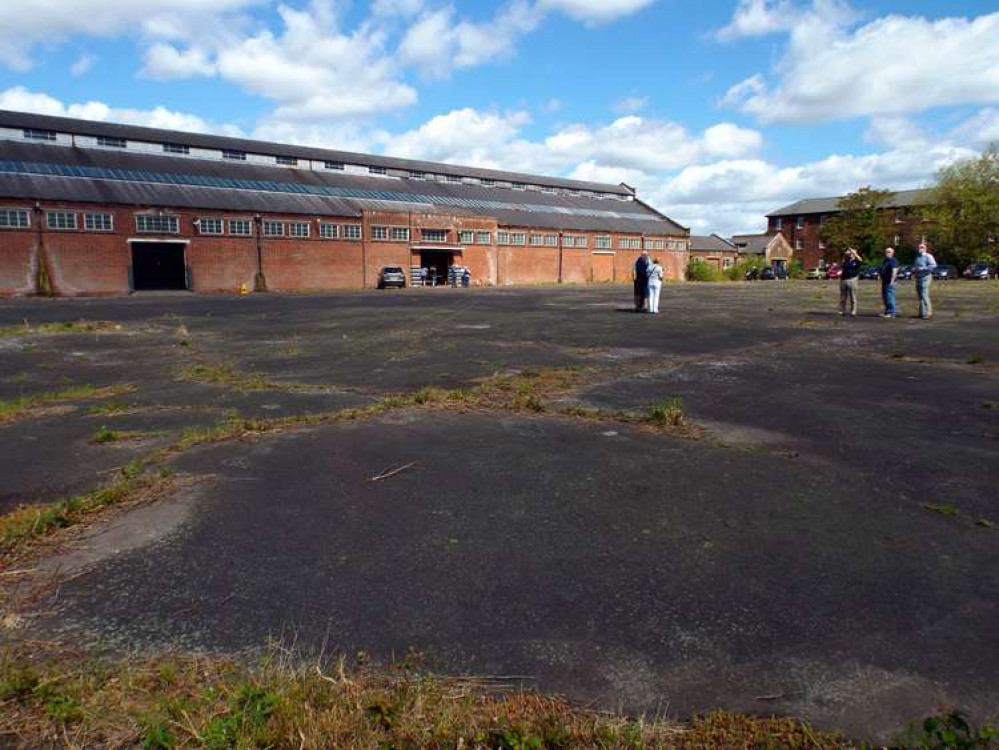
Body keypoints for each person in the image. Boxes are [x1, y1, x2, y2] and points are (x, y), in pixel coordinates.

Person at [913, 242, 937, 319]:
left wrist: (923, 269)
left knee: (924, 295)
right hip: (918, 277)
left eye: (922, 247)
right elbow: (916, 265)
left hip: (926, 277)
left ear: (925, 248)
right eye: (919, 247)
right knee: (920, 295)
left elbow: (933, 265)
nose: (920, 249)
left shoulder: (928, 256)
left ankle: (929, 312)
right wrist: (914, 270)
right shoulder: (917, 256)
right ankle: (922, 313)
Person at [839, 248, 863, 316]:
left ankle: (853, 311)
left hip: (853, 279)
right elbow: (841, 263)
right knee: (843, 297)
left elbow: (861, 260)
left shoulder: (856, 261)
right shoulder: (846, 260)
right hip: (843, 279)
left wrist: (854, 253)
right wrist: (845, 254)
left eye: (852, 253)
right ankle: (842, 311)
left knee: (853, 297)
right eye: (850, 253)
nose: (851, 254)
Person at [879, 246, 899, 317]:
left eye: (889, 252)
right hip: (885, 281)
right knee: (885, 297)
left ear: (893, 253)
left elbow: (895, 271)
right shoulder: (885, 260)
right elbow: (882, 269)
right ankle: (887, 312)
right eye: (886, 252)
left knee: (890, 297)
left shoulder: (893, 260)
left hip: (890, 282)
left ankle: (891, 313)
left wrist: (892, 281)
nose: (887, 253)